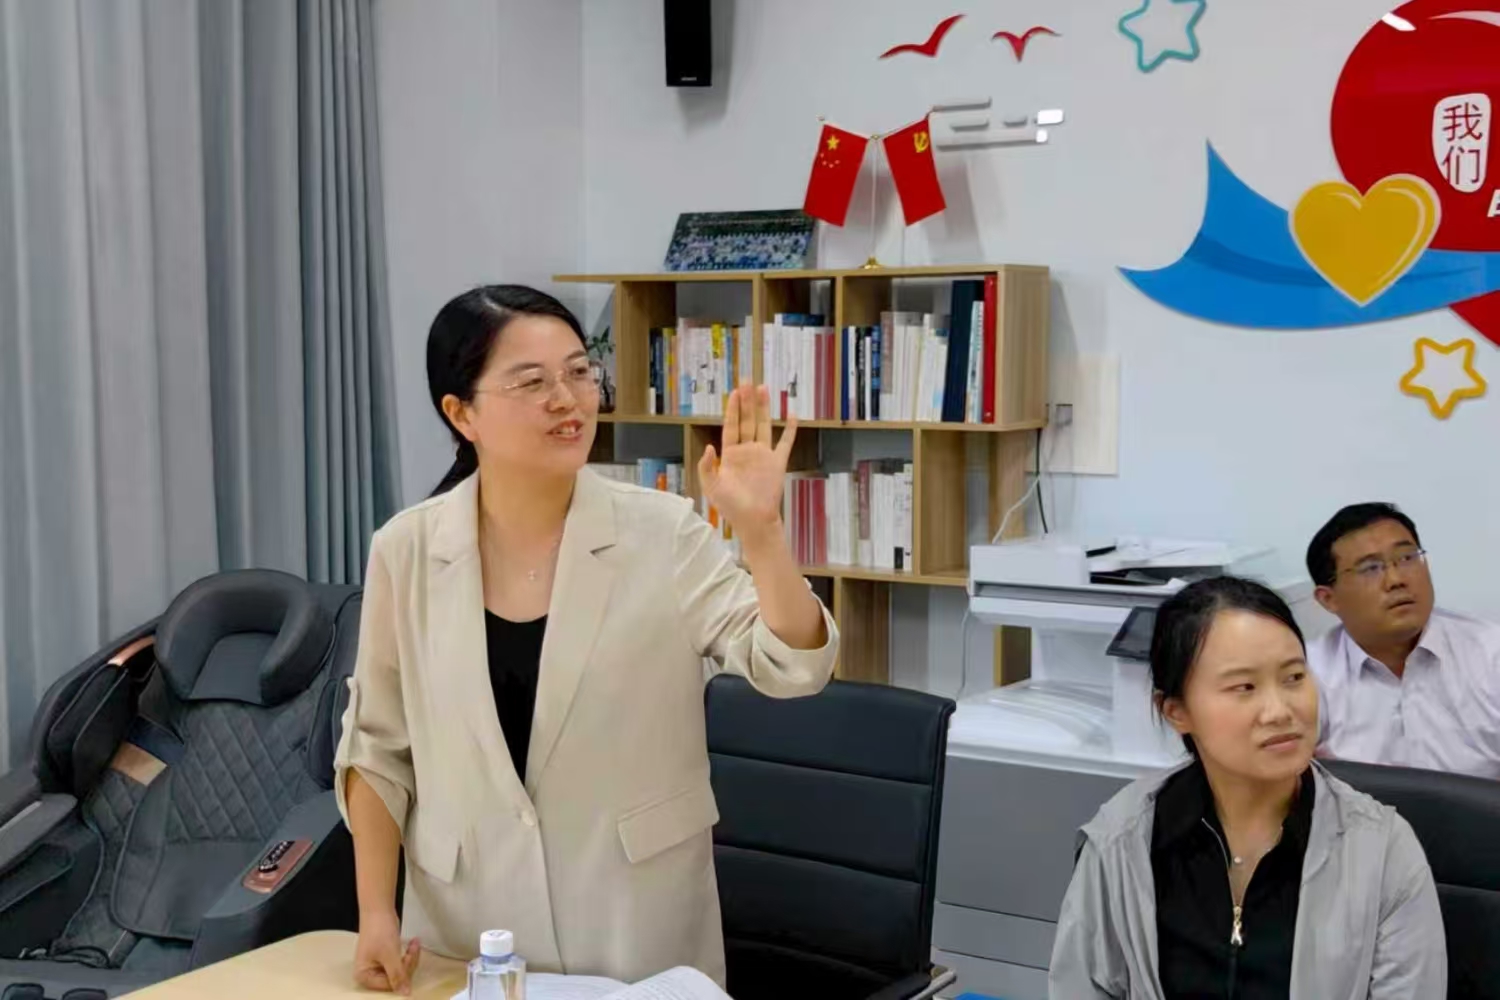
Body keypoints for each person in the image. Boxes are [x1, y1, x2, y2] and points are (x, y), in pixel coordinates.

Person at [334, 285, 838, 994]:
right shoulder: (406, 550)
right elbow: (377, 748)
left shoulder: (662, 532)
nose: (567, 399)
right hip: (465, 933)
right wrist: (375, 913)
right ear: (461, 413)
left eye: (578, 372)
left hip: (632, 931)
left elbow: (793, 666)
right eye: (532, 382)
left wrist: (763, 533)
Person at [1049, 576, 1445, 999]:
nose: (1279, 711)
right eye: (1244, 687)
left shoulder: (1381, 852)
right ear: (1177, 711)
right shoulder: (1121, 841)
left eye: (1294, 677)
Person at [1305, 502, 1500, 778]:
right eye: (1370, 568)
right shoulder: (1307, 676)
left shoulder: (1490, 652)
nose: (1396, 579)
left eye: (1407, 558)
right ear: (1329, 598)